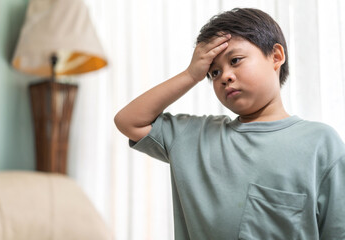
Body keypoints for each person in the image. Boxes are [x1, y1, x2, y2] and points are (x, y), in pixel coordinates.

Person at [114, 8, 345, 240]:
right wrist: (191, 74)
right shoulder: (193, 137)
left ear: (276, 56)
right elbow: (129, 121)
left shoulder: (320, 144)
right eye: (214, 72)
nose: (225, 76)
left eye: (235, 60)